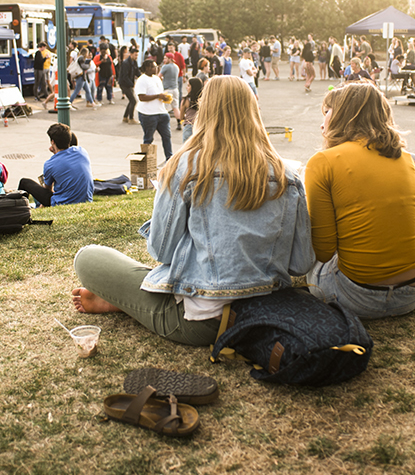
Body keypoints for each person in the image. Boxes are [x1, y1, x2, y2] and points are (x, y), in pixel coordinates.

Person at [71, 75, 315, 346]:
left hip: (205, 323)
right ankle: (124, 300)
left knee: (87, 258)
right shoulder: (288, 174)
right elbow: (301, 264)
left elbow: (162, 252)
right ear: (253, 112)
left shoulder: (185, 167)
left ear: (204, 111)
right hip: (268, 312)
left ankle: (124, 301)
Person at [304, 82, 415, 319]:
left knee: (308, 263)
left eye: (327, 112)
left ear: (342, 115)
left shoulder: (322, 162)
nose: (323, 121)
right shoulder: (408, 158)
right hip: (414, 292)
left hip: (357, 297)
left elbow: (322, 251)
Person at [18, 124, 93, 207]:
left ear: (52, 141)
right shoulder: (82, 152)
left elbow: (47, 190)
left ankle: (18, 209)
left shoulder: (50, 164)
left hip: (62, 203)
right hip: (86, 201)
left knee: (24, 182)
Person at [135, 59, 173, 165]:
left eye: (156, 66)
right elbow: (141, 97)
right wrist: (157, 96)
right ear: (147, 68)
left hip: (161, 112)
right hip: (148, 114)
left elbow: (159, 94)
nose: (156, 68)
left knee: (167, 137)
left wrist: (164, 98)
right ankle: (146, 162)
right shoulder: (142, 80)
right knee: (148, 139)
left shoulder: (157, 79)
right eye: (153, 67)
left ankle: (169, 159)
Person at [119, 47, 141, 123]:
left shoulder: (134, 62)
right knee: (133, 101)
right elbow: (124, 76)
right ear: (130, 54)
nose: (136, 57)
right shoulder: (125, 63)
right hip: (124, 84)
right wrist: (132, 84)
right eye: (135, 55)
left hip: (129, 83)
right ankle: (131, 118)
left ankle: (125, 117)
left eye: (137, 55)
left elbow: (137, 72)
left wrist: (142, 77)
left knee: (131, 101)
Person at [179, 77, 203, 143]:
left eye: (188, 85)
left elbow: (181, 117)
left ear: (193, 87)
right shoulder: (204, 100)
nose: (186, 87)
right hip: (200, 127)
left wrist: (187, 117)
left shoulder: (185, 100)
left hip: (188, 128)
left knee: (187, 151)